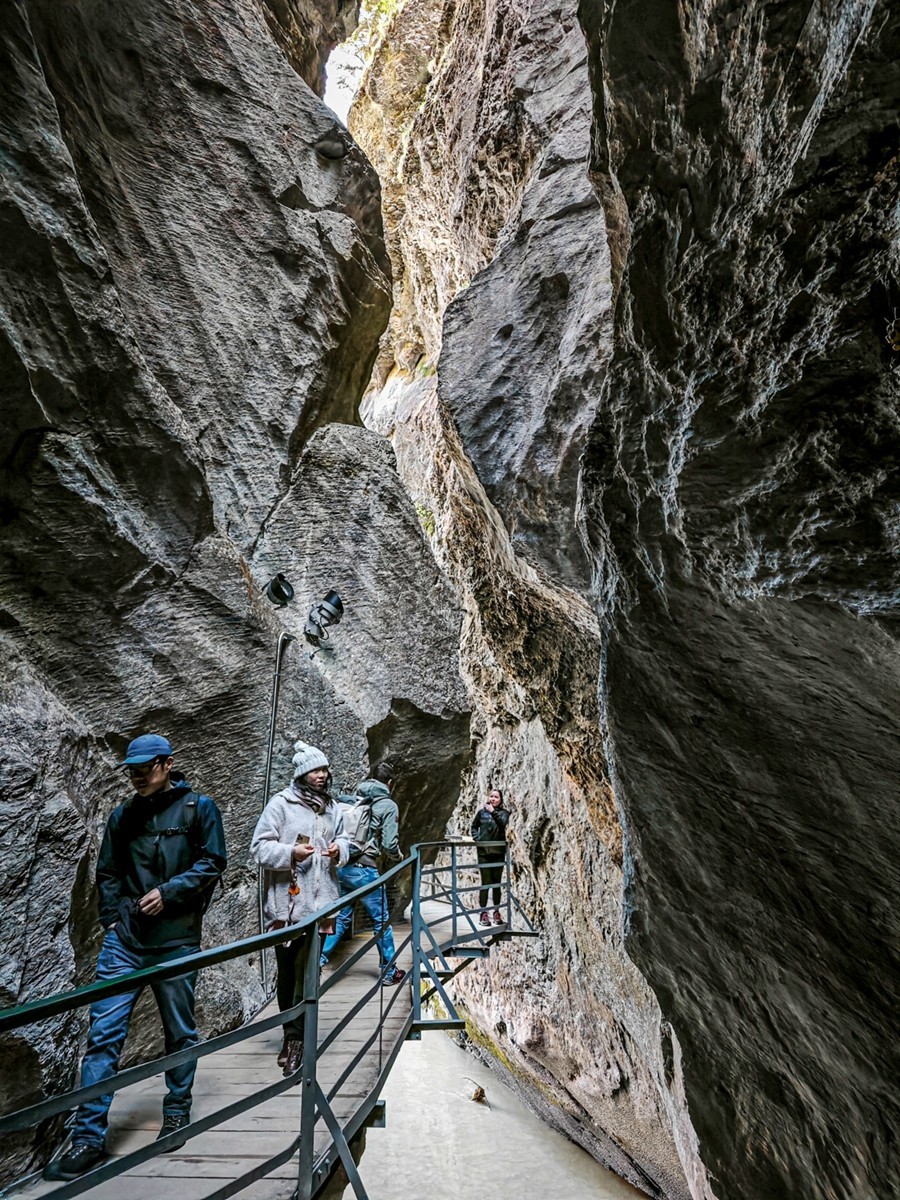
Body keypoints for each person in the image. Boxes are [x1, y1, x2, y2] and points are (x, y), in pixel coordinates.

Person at [49, 734, 227, 1181]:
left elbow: (213, 863)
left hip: (176, 941)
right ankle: (88, 1138)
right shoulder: (122, 816)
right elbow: (106, 871)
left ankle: (176, 1112)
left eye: (145, 769)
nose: (136, 777)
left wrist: (168, 893)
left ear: (167, 765)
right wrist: (112, 919)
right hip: (125, 942)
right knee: (103, 1037)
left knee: (180, 1032)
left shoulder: (198, 809)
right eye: (131, 770)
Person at [250, 741, 349, 1077]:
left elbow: (348, 838)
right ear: (302, 774)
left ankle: (296, 1041)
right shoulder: (281, 804)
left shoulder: (332, 808)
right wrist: (291, 852)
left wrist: (340, 850)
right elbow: (259, 848)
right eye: (315, 771)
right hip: (287, 906)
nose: (321, 776)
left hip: (319, 906)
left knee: (306, 973)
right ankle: (290, 1035)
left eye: (324, 770)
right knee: (288, 973)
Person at [319, 761, 404, 986]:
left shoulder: (355, 798)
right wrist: (399, 858)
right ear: (390, 783)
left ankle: (318, 960)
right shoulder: (387, 805)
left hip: (344, 866)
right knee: (382, 920)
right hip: (365, 869)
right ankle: (388, 971)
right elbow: (389, 843)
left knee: (344, 916)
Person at [471, 787, 509, 927]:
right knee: (486, 883)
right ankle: (483, 913)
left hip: (498, 853)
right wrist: (477, 838)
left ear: (500, 800)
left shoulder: (504, 813)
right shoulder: (481, 813)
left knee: (497, 884)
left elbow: (502, 823)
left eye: (496, 797)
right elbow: (474, 826)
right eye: (491, 796)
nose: (493, 799)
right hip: (484, 853)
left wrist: (493, 812)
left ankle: (496, 911)